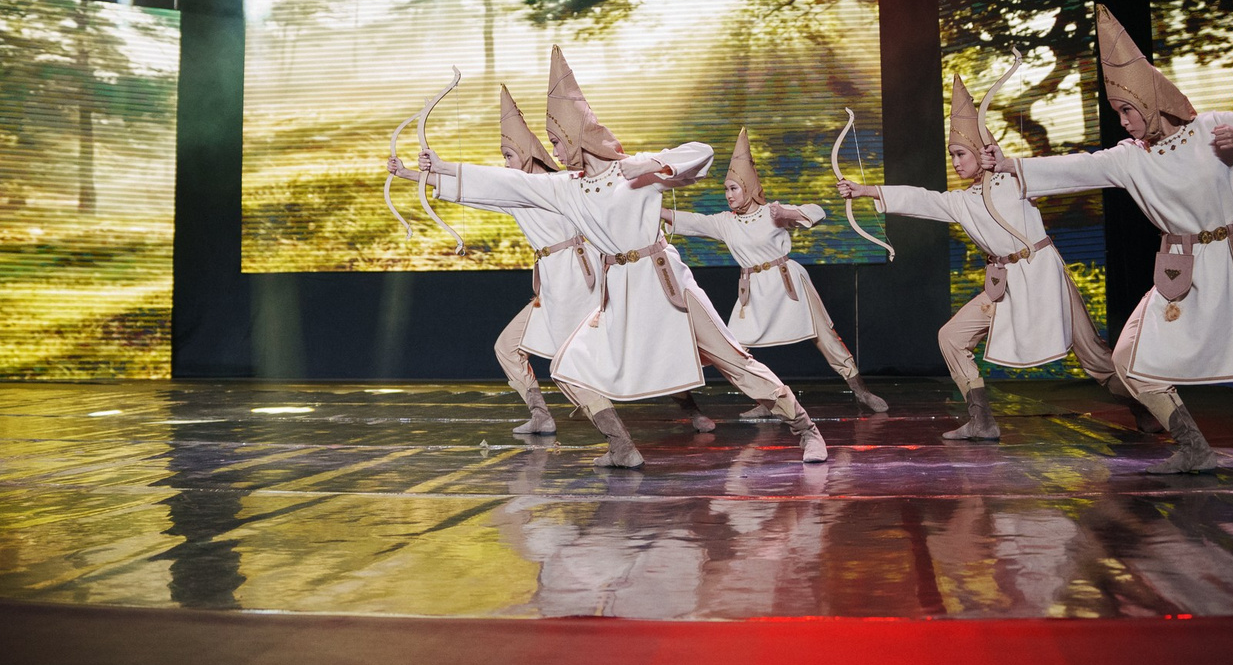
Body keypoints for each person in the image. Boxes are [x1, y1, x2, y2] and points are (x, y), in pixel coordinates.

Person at [408, 47, 829, 468]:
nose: (555, 152)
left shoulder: (634, 172)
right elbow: (511, 185)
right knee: (569, 366)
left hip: (667, 284)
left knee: (734, 361)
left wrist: (651, 164)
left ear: (577, 136)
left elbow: (700, 153)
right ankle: (622, 446)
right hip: (621, 295)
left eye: (556, 141)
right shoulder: (568, 187)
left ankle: (806, 429)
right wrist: (442, 167)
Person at [990, 7, 1233, 471]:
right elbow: (1076, 167)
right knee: (1129, 360)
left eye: (1127, 110)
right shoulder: (1130, 158)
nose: (1123, 121)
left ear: (1152, 101)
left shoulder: (1209, 131)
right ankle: (1195, 448)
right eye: (1118, 112)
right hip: (1182, 270)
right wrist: (1009, 164)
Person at [837, 77, 1123, 441]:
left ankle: (1149, 408)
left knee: (1094, 358)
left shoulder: (1017, 180)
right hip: (1005, 285)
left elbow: (1060, 172)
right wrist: (865, 190)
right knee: (951, 337)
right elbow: (922, 198)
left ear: (981, 151)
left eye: (962, 154)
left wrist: (1009, 164)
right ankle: (982, 421)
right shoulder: (963, 201)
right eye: (952, 156)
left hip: (1042, 277)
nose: (956, 162)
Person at [661, 126, 889, 419]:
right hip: (753, 289)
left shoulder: (772, 212)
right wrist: (652, 209)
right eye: (726, 189)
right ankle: (768, 399)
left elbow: (817, 212)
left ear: (749, 187)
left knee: (824, 336)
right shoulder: (726, 222)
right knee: (734, 348)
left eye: (734, 188)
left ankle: (861, 391)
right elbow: (691, 221)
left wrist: (787, 214)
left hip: (787, 282)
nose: (728, 195)